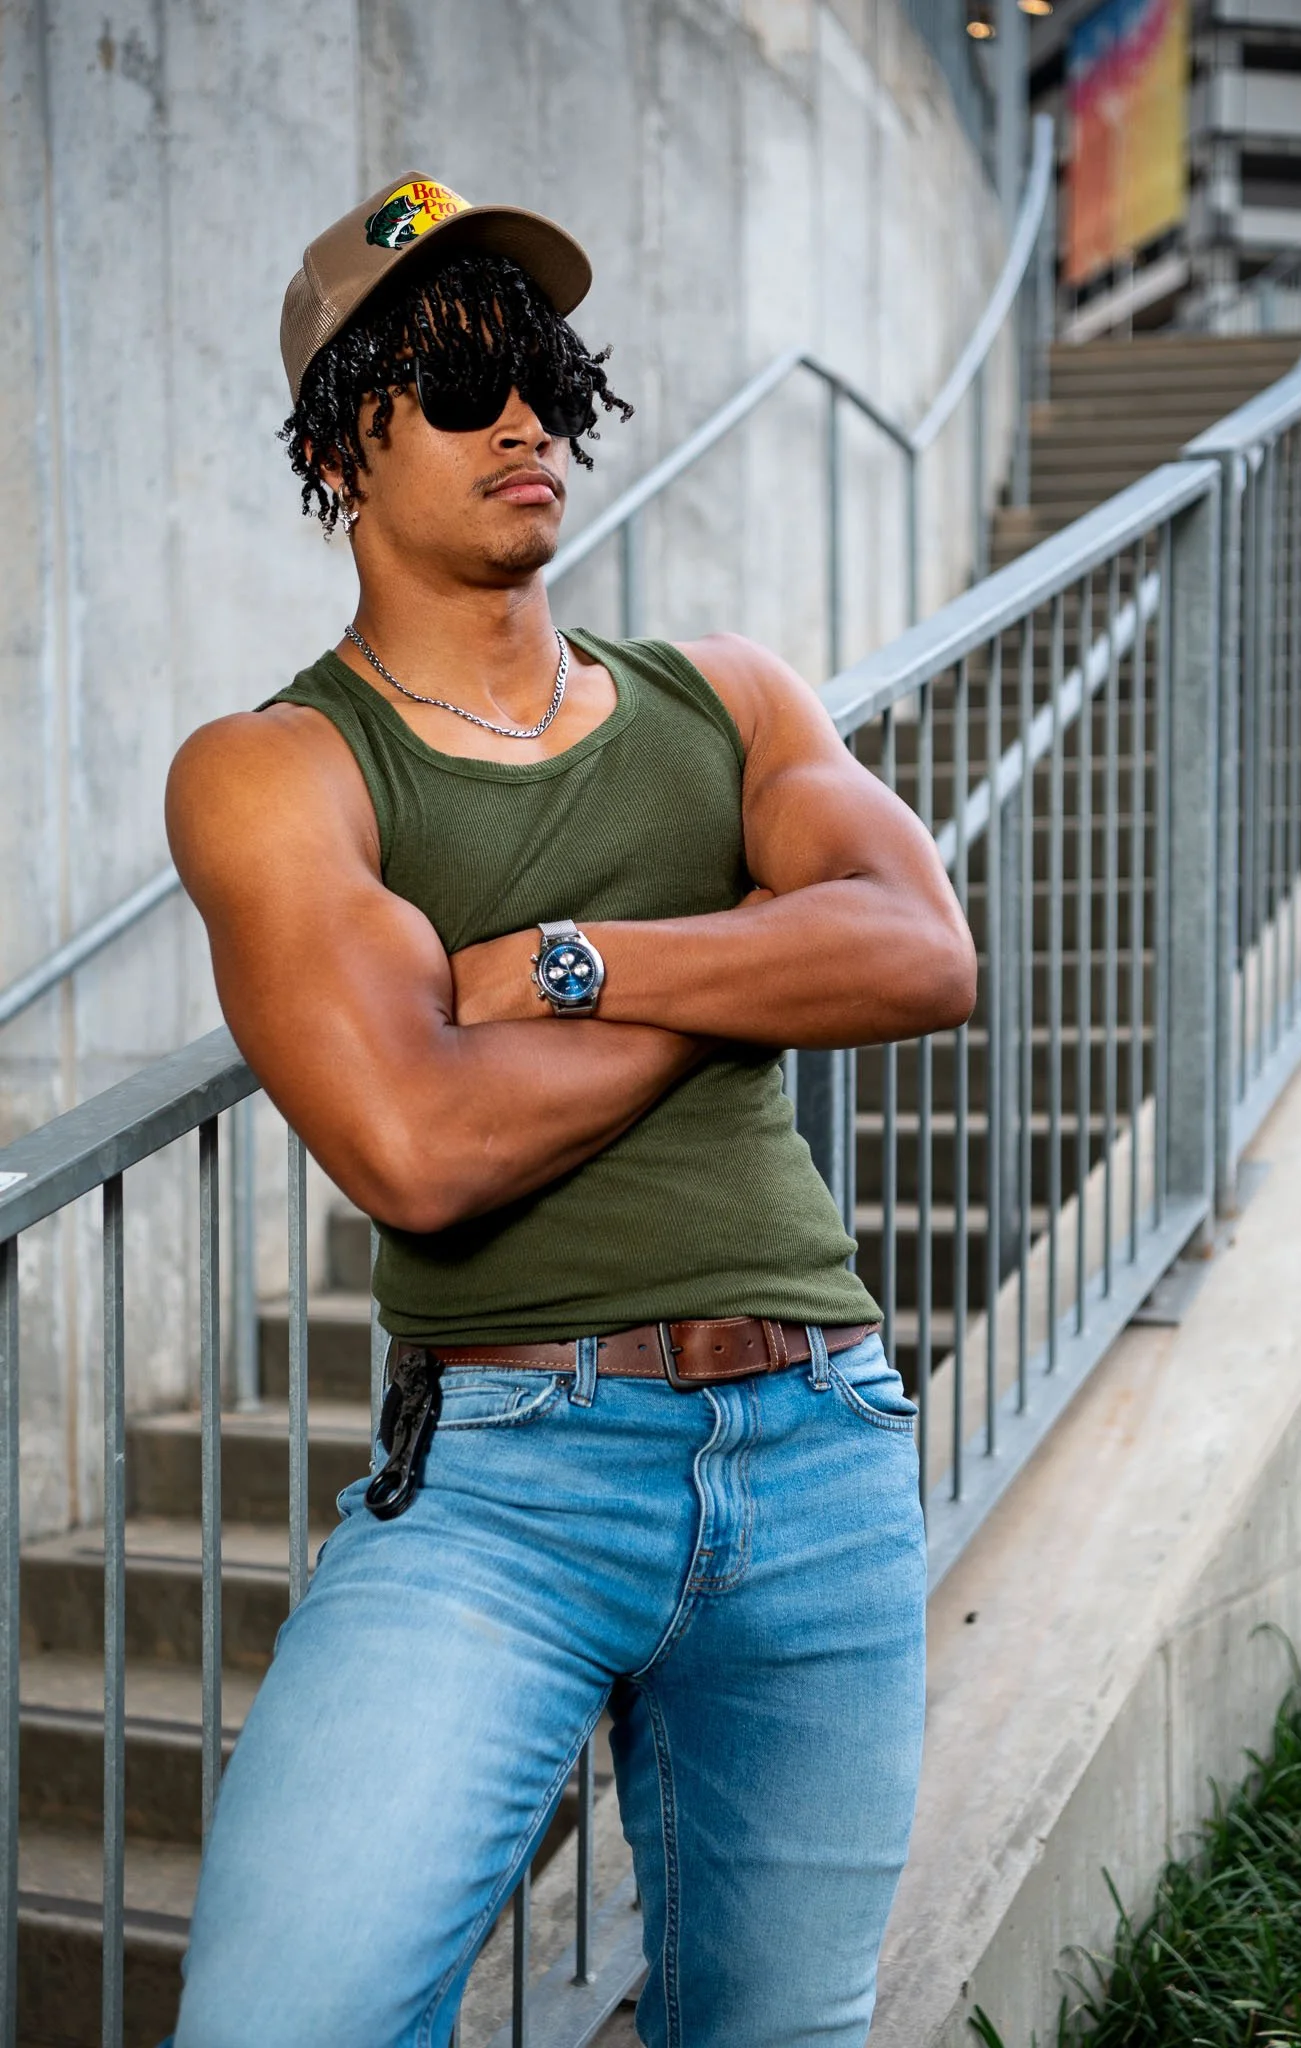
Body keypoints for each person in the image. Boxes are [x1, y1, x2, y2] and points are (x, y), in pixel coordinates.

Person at [164, 172, 976, 2048]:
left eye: (539, 371)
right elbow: (418, 1148)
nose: (521, 417)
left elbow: (923, 953)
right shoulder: (280, 770)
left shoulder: (724, 696)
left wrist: (580, 961)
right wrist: (756, 954)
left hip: (824, 1450)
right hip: (507, 1481)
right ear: (335, 449)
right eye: (454, 384)